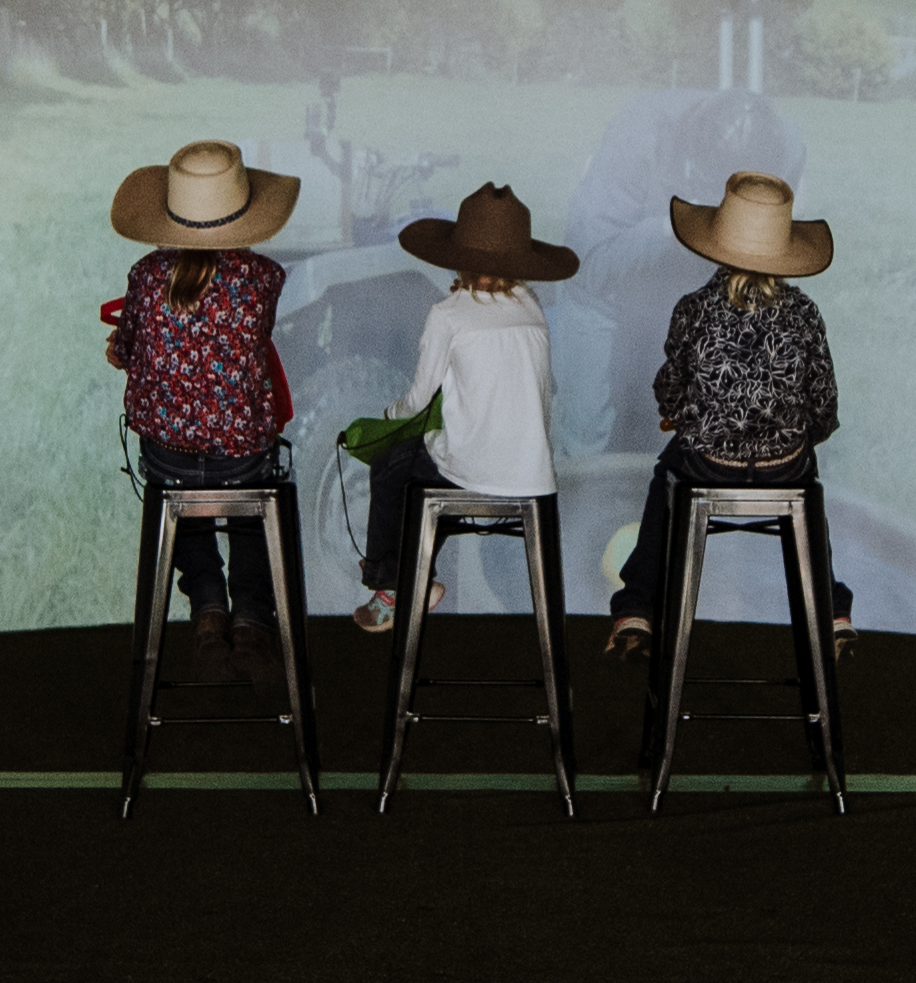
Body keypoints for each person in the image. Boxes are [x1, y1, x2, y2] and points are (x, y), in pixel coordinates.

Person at [608, 169, 849, 662]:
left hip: (706, 465)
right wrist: (795, 440)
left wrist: (676, 414)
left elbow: (672, 384)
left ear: (716, 244)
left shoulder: (694, 308)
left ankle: (637, 608)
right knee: (810, 487)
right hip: (786, 467)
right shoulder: (805, 314)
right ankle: (830, 609)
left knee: (664, 479)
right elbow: (823, 402)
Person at [103, 137, 300, 677]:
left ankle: (209, 613)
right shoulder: (263, 279)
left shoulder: (144, 276)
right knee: (252, 509)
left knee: (182, 500)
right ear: (242, 215)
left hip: (167, 456)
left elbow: (124, 350)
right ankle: (253, 623)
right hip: (241, 459)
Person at [355, 182, 574, 631]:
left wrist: (386, 419)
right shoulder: (531, 306)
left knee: (393, 465)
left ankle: (394, 586)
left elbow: (416, 402)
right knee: (431, 465)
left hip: (472, 472)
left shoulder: (448, 314)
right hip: (534, 476)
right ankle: (421, 580)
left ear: (456, 256)